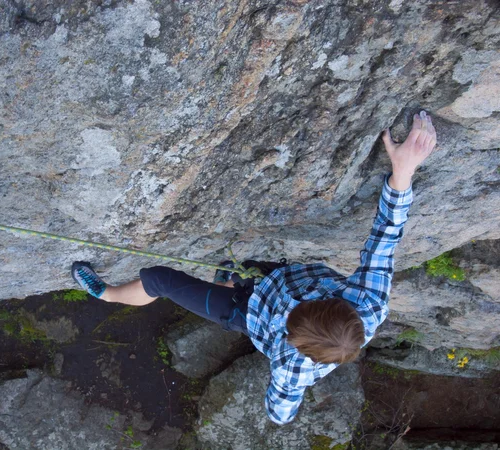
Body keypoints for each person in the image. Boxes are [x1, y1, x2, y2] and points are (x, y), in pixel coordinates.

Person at [71, 111, 437, 424]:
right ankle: (229, 279)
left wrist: (285, 408)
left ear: (294, 345)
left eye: (291, 320)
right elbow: (386, 236)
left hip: (244, 314)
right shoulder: (370, 300)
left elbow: (279, 413)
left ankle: (105, 293)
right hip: (272, 277)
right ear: (334, 302)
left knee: (158, 279)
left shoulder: (293, 368)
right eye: (304, 307)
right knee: (231, 267)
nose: (294, 309)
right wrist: (403, 170)